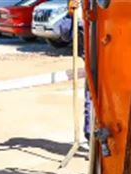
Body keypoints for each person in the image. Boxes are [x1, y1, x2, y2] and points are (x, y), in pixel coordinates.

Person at [55, 0, 92, 153]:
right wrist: (70, 14)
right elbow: (64, 33)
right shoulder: (79, 7)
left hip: (115, 62)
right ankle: (92, 138)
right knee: (92, 100)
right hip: (92, 63)